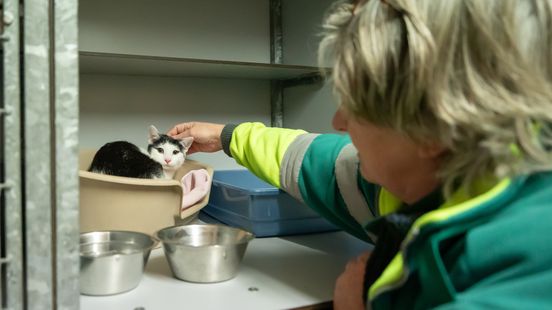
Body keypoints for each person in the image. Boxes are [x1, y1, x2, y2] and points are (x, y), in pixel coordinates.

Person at [169, 0, 552, 309]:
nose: (338, 121)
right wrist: (226, 135)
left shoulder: (524, 273)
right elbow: (313, 160)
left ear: (435, 126)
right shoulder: (424, 172)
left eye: (355, 106)